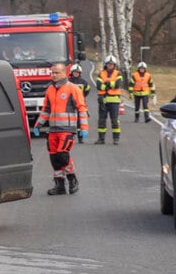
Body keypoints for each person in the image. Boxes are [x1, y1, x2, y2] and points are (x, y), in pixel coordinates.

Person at [32, 61, 88, 195]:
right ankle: (60, 185)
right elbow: (46, 109)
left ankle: (72, 179)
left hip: (67, 129)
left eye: (57, 72)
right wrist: (38, 124)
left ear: (64, 73)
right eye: (52, 73)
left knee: (63, 156)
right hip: (53, 130)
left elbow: (82, 108)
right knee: (54, 158)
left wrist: (84, 127)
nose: (54, 75)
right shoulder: (50, 89)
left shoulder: (73, 88)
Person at [96, 55, 124, 144]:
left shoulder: (118, 73)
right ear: (106, 64)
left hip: (114, 100)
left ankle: (116, 139)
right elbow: (99, 86)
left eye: (112, 64)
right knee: (102, 120)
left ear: (114, 65)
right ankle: (101, 139)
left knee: (114, 120)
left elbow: (117, 85)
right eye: (109, 64)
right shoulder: (101, 73)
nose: (110, 65)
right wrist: (110, 84)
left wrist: (106, 84)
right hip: (103, 100)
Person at [68, 63, 91, 143]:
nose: (76, 73)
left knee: (80, 121)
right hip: (70, 104)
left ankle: (80, 137)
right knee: (70, 120)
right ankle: (71, 136)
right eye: (74, 72)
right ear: (72, 72)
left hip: (80, 103)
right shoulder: (68, 81)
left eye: (77, 72)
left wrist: (82, 97)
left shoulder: (83, 82)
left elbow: (87, 90)